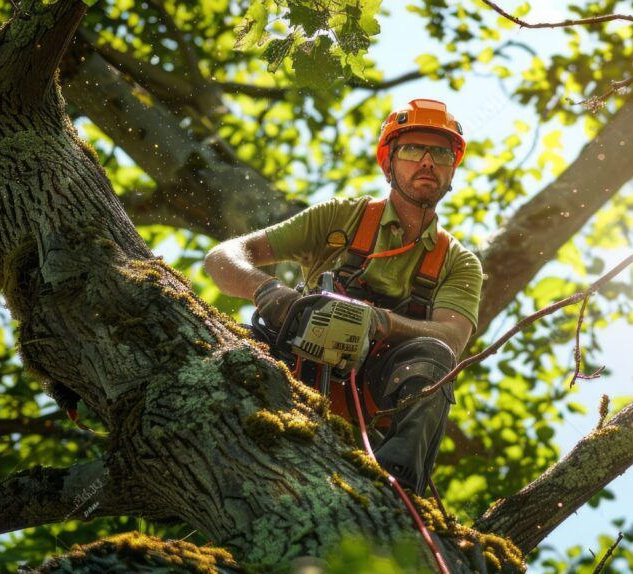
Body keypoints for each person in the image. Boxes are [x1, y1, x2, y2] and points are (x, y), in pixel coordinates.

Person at [204, 99, 483, 495]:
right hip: (294, 366)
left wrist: (379, 322)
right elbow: (222, 257)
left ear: (452, 169)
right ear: (389, 162)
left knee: (434, 357)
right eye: (412, 149)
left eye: (440, 152)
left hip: (376, 395)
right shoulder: (342, 218)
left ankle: (397, 486)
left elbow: (452, 338)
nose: (427, 162)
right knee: (220, 353)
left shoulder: (457, 262)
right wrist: (267, 291)